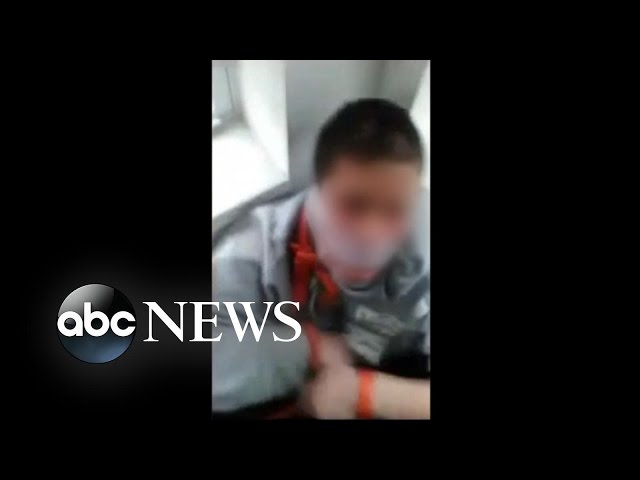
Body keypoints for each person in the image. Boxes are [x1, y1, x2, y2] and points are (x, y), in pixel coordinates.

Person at [212, 98, 430, 419]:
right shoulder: (248, 255)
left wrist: (365, 394)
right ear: (318, 195)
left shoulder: (424, 247)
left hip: (388, 374)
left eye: (394, 211)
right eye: (353, 205)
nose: (371, 233)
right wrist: (310, 349)